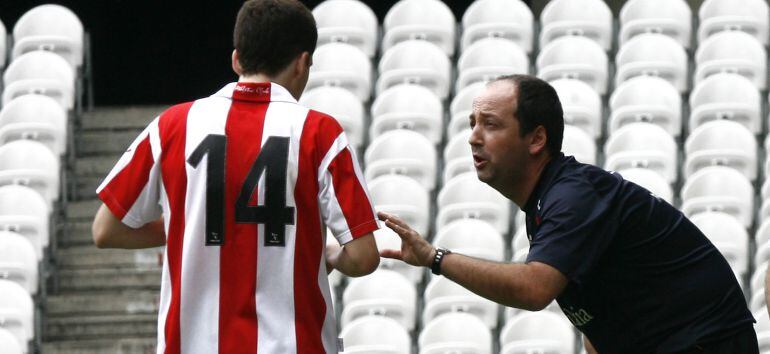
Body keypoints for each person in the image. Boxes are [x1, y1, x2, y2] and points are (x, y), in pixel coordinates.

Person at [378, 74, 758, 354]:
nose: (474, 137)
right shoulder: (550, 200)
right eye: (472, 124)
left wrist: (436, 258)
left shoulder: (572, 197)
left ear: (537, 139)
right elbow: (595, 317)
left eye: (490, 124)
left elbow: (533, 289)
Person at [91, 1, 380, 353]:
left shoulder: (173, 125)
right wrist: (332, 257)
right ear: (303, 62)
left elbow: (106, 230)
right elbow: (364, 257)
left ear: (236, 59)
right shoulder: (320, 133)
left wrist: (191, 223)